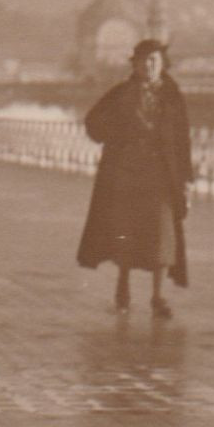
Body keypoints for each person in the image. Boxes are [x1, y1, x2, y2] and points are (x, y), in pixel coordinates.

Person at [75, 39, 194, 318]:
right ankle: (123, 287)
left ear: (163, 65)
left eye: (154, 60)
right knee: (126, 232)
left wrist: (186, 179)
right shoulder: (121, 93)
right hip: (125, 173)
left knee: (161, 235)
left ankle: (158, 296)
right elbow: (93, 122)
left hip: (163, 176)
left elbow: (183, 141)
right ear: (135, 65)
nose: (148, 66)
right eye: (143, 61)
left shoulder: (173, 96)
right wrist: (116, 134)